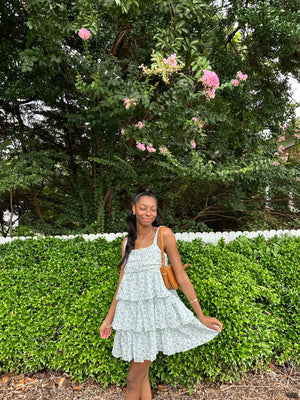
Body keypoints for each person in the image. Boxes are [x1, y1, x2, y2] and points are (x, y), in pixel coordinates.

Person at [99, 189, 223, 400]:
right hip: (136, 320)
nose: (148, 213)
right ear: (134, 209)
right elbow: (122, 284)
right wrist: (108, 319)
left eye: (153, 209)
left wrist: (201, 316)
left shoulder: (163, 234)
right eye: (143, 208)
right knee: (141, 376)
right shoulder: (126, 243)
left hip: (156, 317)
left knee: (132, 379)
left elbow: (181, 277)